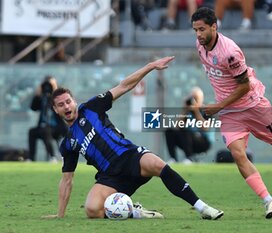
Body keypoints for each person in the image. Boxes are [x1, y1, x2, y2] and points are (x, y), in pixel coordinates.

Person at [43, 56, 224, 220]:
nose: (66, 107)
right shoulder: (68, 143)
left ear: (74, 101)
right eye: (61, 105)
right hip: (110, 177)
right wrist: (60, 215)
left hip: (130, 157)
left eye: (68, 101)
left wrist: (151, 66)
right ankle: (133, 212)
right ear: (55, 110)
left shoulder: (91, 107)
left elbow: (124, 86)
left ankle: (203, 208)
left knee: (159, 165)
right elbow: (67, 180)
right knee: (92, 210)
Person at [191, 7, 272, 219]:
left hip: (253, 105)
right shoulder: (200, 45)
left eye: (202, 29)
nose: (198, 34)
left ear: (214, 27)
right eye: (195, 30)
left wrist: (217, 106)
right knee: (237, 153)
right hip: (230, 112)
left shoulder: (230, 52)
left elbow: (244, 86)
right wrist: (221, 105)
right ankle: (269, 201)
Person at [165, 87, 213, 164]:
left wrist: (196, 111)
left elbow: (205, 128)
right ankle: (173, 158)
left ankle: (189, 158)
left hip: (203, 141)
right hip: (187, 140)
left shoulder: (207, 110)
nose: (194, 101)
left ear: (201, 99)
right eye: (192, 98)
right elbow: (177, 127)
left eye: (196, 98)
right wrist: (184, 110)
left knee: (186, 131)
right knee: (170, 131)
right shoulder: (188, 111)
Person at [28, 76, 67, 162]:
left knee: (45, 130)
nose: (47, 87)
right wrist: (37, 94)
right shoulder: (42, 97)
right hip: (43, 127)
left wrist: (55, 91)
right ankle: (31, 158)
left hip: (57, 128)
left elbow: (60, 107)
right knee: (32, 132)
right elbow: (33, 108)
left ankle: (52, 157)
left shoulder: (59, 96)